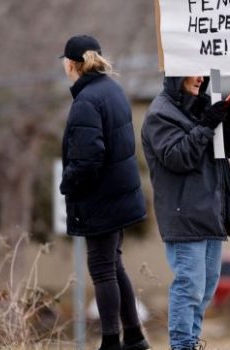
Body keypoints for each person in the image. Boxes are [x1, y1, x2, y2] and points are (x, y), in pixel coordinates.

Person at [59, 34, 150, 350]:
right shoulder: (112, 90)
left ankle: (111, 341)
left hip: (101, 199)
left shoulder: (86, 100)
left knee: (101, 269)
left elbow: (88, 158)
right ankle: (135, 336)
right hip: (119, 195)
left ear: (72, 64)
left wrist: (67, 183)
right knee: (114, 265)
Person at [141, 76, 230, 350]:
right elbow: (178, 157)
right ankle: (182, 345)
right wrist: (208, 123)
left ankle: (191, 342)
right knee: (190, 286)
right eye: (193, 70)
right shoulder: (160, 113)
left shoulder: (204, 105)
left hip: (212, 210)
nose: (200, 77)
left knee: (206, 289)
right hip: (183, 211)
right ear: (176, 72)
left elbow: (227, 150)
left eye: (202, 71)